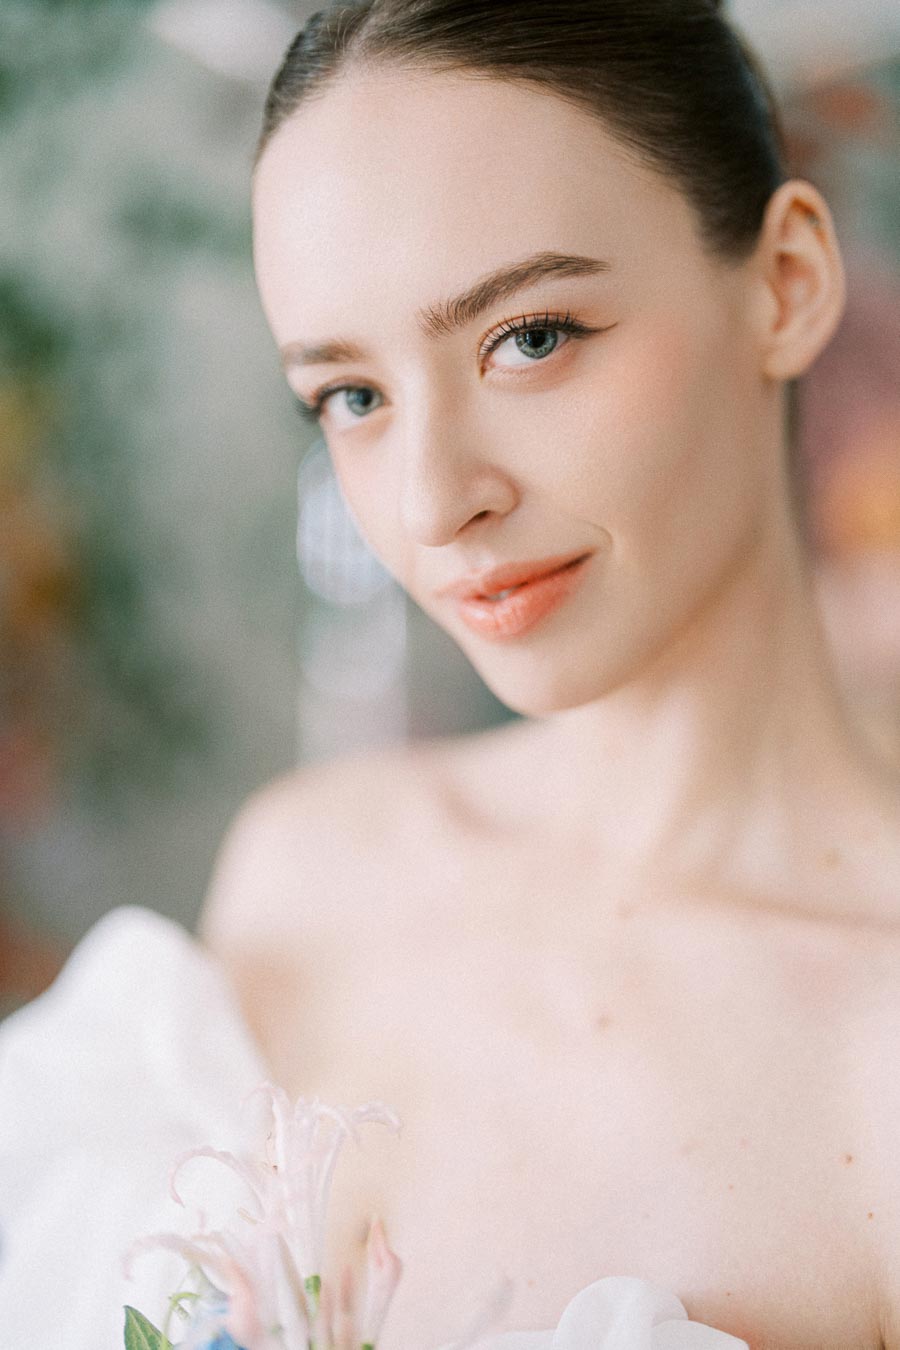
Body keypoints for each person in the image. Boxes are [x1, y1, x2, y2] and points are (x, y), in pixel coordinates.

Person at [191, 0, 900, 1345]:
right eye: (351, 395)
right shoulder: (299, 881)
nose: (432, 499)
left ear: (789, 281)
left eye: (530, 337)